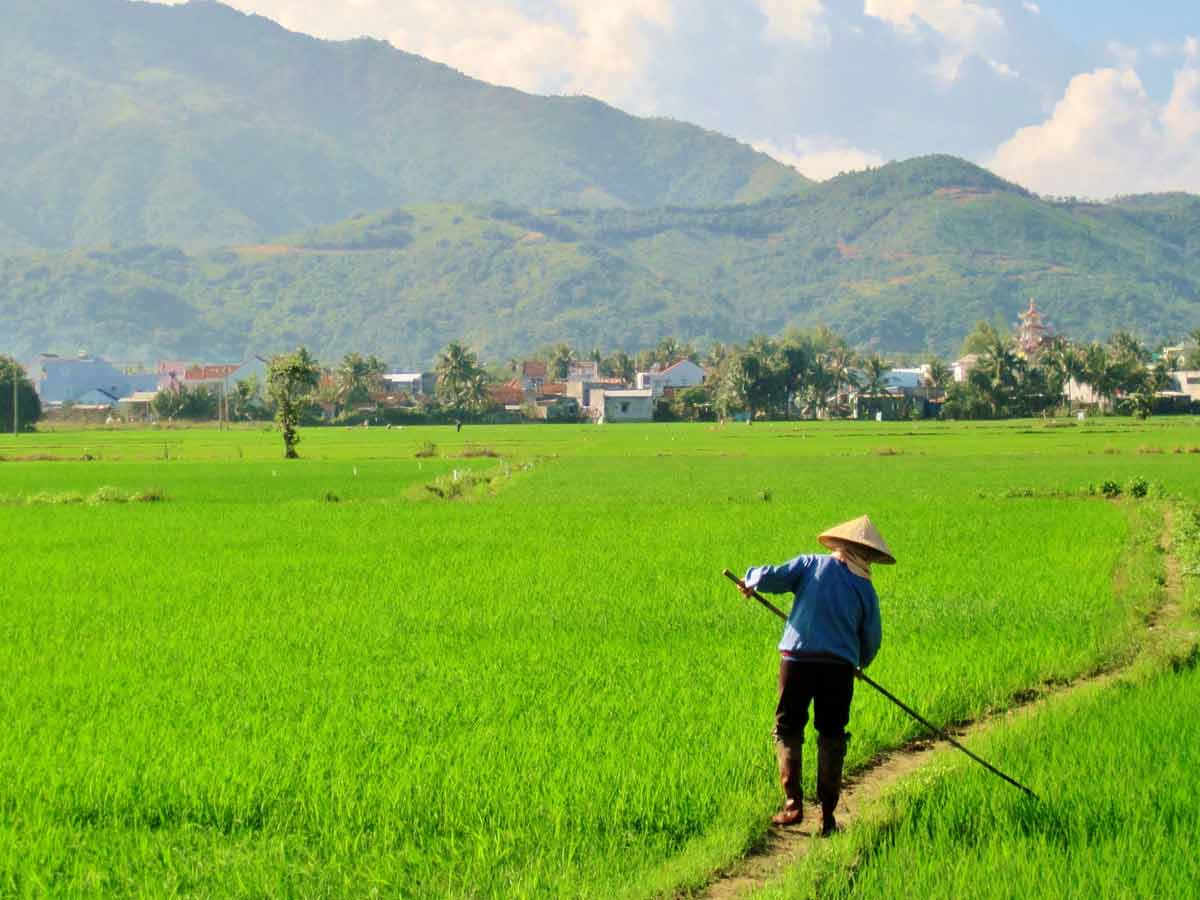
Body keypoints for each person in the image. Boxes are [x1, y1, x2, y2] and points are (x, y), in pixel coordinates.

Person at [741, 515, 893, 835]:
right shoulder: (865, 587)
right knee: (832, 733)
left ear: (839, 545)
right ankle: (827, 814)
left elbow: (774, 576)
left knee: (788, 727)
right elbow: (871, 636)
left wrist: (752, 580)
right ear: (864, 554)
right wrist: (859, 663)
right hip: (838, 668)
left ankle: (793, 804)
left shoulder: (811, 564)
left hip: (797, 660)